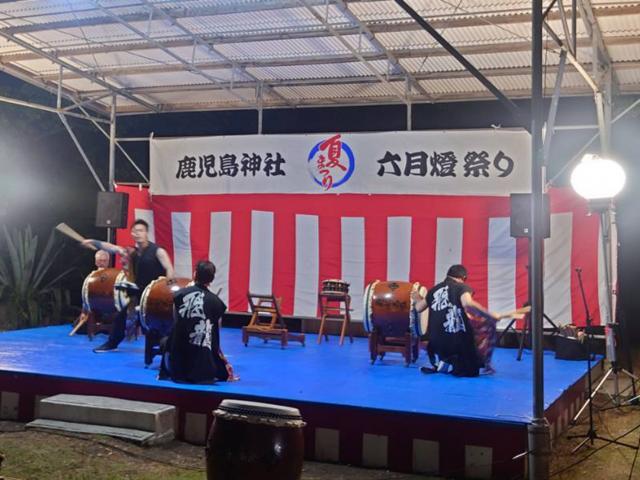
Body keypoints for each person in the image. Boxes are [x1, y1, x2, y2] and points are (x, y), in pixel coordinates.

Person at [82, 219, 175, 352]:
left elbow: (169, 269)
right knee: (122, 318)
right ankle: (112, 343)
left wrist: (167, 289)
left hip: (154, 295)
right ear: (131, 233)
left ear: (146, 233)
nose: (138, 234)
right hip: (138, 294)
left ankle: (163, 347)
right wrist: (93, 242)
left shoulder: (157, 251)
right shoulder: (132, 252)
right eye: (135, 231)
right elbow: (112, 248)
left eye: (141, 231)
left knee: (152, 324)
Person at [412, 264, 500, 377]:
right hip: (457, 341)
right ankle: (457, 363)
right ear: (462, 277)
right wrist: (490, 315)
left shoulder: (433, 290)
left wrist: (417, 298)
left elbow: (419, 307)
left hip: (436, 344)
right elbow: (467, 303)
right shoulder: (462, 287)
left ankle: (445, 361)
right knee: (483, 328)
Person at [159, 260, 236, 384]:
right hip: (202, 371)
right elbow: (215, 335)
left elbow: (175, 322)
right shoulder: (217, 303)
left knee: (166, 340)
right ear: (212, 279)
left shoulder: (178, 295)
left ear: (195, 274)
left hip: (178, 368)